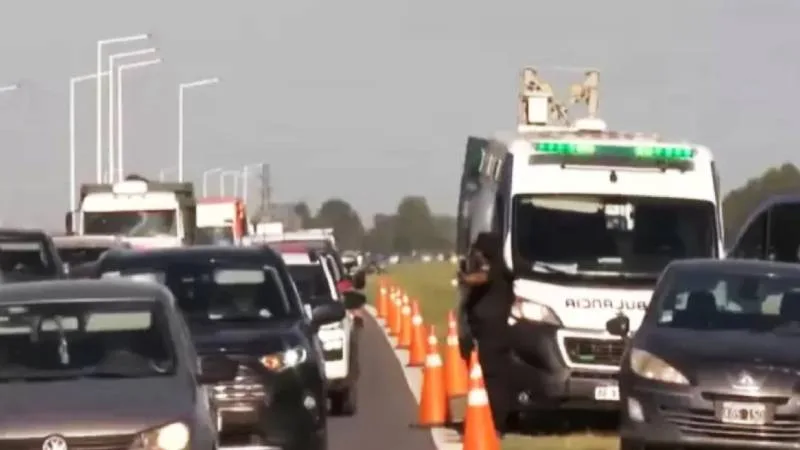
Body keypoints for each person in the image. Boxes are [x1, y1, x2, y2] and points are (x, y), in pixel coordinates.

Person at [458, 231, 514, 437]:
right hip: (488, 329)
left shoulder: (496, 268)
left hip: (494, 331)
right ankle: (491, 418)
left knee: (494, 377)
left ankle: (496, 422)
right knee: (491, 376)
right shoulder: (500, 266)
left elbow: (480, 279)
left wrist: (464, 277)